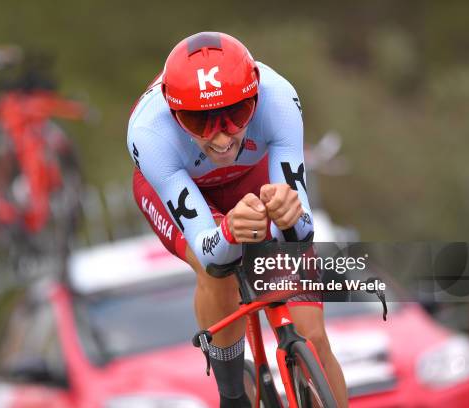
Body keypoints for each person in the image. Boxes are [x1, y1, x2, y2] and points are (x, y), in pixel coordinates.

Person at [127, 32, 348, 407]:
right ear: (173, 112)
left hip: (255, 175)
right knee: (216, 270)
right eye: (199, 122)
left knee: (314, 336)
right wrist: (228, 230)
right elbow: (211, 250)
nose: (222, 137)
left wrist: (289, 213)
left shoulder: (279, 98)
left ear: (256, 97)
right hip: (186, 192)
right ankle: (232, 393)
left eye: (237, 114)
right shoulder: (149, 132)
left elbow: (302, 230)